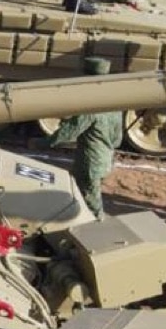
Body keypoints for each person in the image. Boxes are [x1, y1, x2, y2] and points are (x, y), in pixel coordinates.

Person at [44, 57, 123, 219]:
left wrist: (44, 142)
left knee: (91, 202)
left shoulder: (92, 107)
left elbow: (69, 132)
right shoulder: (115, 106)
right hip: (105, 159)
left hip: (89, 163)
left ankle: (96, 227)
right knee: (79, 192)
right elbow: (117, 139)